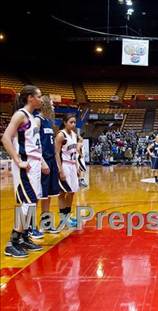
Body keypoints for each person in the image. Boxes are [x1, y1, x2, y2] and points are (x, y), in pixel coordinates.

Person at [2, 85, 46, 257]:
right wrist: (18, 160)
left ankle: (24, 237)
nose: (41, 99)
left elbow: (34, 144)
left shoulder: (32, 118)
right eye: (39, 96)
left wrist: (41, 162)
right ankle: (11, 243)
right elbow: (6, 138)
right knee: (26, 203)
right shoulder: (20, 115)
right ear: (30, 98)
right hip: (25, 166)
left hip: (34, 165)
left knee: (32, 202)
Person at [34, 95, 61, 234]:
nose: (54, 106)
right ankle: (31, 226)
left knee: (49, 195)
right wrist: (41, 161)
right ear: (44, 104)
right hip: (42, 161)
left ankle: (46, 223)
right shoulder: (37, 121)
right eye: (52, 104)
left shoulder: (49, 122)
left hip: (51, 161)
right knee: (39, 195)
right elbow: (34, 143)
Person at [55, 114, 79, 228]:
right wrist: (60, 170)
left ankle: (68, 217)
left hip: (73, 165)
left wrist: (78, 167)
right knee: (62, 192)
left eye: (74, 122)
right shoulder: (61, 135)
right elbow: (56, 153)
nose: (73, 124)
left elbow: (75, 152)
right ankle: (63, 220)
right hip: (64, 165)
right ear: (65, 122)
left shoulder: (74, 134)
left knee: (72, 192)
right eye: (71, 122)